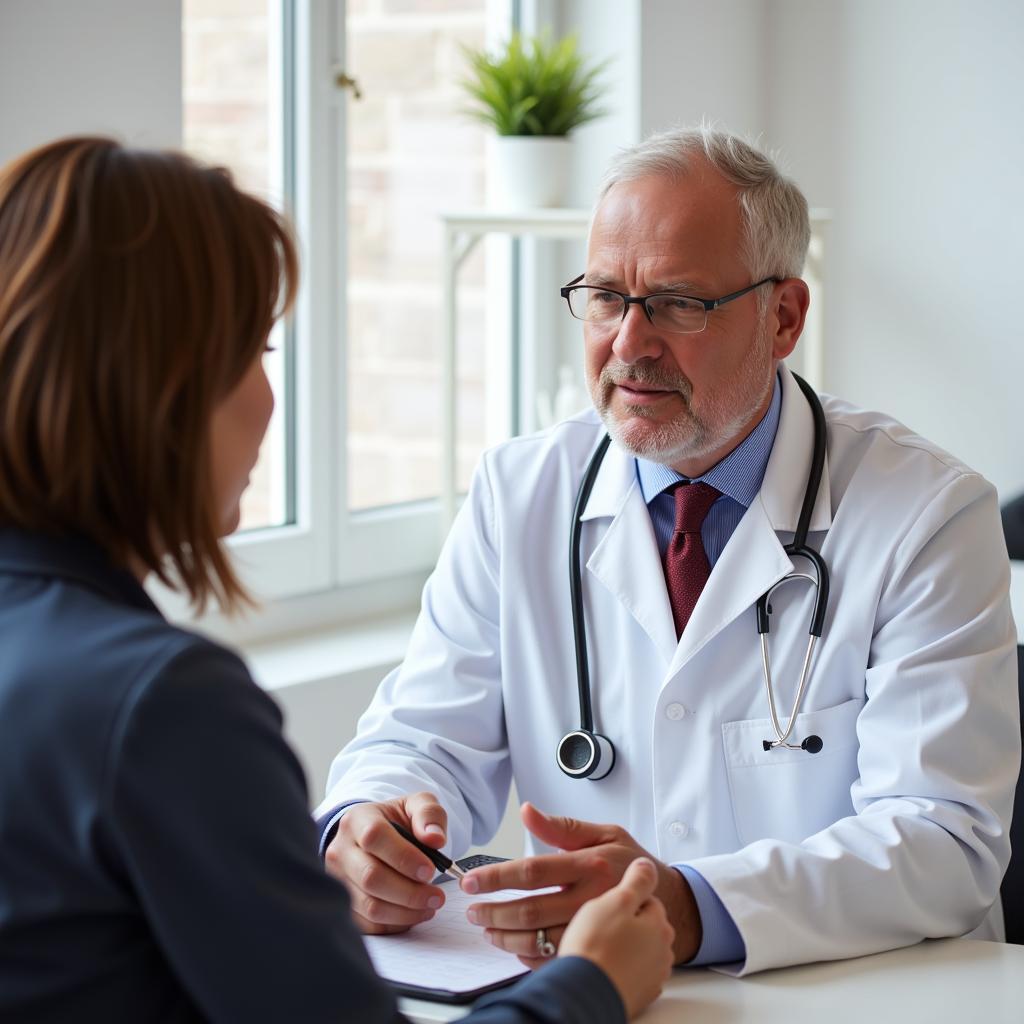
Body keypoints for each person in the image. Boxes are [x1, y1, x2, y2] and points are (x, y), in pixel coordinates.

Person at [0, 136, 675, 1023]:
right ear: (158, 385)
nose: (269, 401)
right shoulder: (161, 706)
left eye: (680, 304)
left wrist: (368, 823)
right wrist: (592, 983)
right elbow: (421, 729)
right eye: (257, 352)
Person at [318, 125, 1021, 976]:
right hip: (599, 990)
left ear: (784, 316)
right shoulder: (520, 491)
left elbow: (943, 843)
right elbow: (422, 737)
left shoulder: (928, 514)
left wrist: (687, 905)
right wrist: (367, 824)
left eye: (680, 303)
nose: (629, 343)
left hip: (858, 992)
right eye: (608, 296)